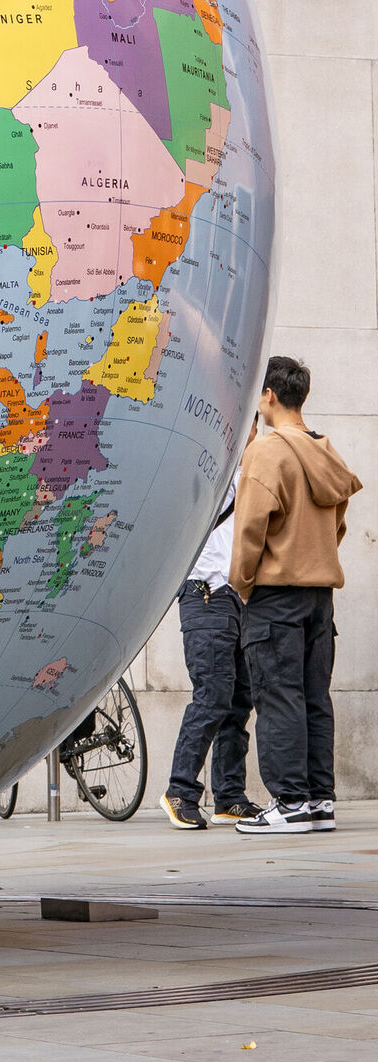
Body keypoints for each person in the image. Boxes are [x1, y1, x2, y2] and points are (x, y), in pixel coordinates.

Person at [230, 355, 361, 838]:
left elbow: (249, 530)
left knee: (277, 695)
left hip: (275, 596)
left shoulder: (267, 452)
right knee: (312, 698)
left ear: (268, 396)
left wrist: (242, 585)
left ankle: (289, 802)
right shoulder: (325, 450)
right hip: (319, 597)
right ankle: (319, 800)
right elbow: (339, 519)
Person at [160, 468, 262, 829]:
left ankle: (229, 797)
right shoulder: (201, 463)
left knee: (238, 701)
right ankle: (181, 791)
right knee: (213, 695)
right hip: (204, 592)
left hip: (239, 594)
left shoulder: (250, 469)